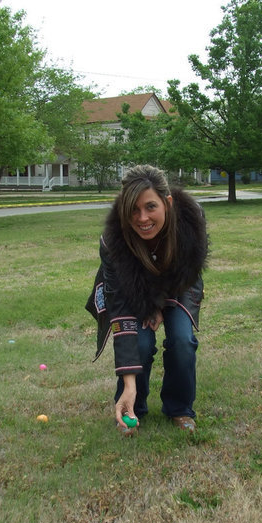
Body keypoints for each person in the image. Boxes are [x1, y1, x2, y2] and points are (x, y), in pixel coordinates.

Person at [86, 165, 208, 434]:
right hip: (133, 291)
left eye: (151, 207)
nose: (142, 218)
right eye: (133, 210)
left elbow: (189, 271)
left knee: (182, 340)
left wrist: (160, 303)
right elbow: (119, 304)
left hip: (177, 285)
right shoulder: (112, 240)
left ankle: (180, 408)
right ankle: (132, 407)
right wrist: (129, 384)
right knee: (139, 343)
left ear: (168, 202)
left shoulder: (191, 219)